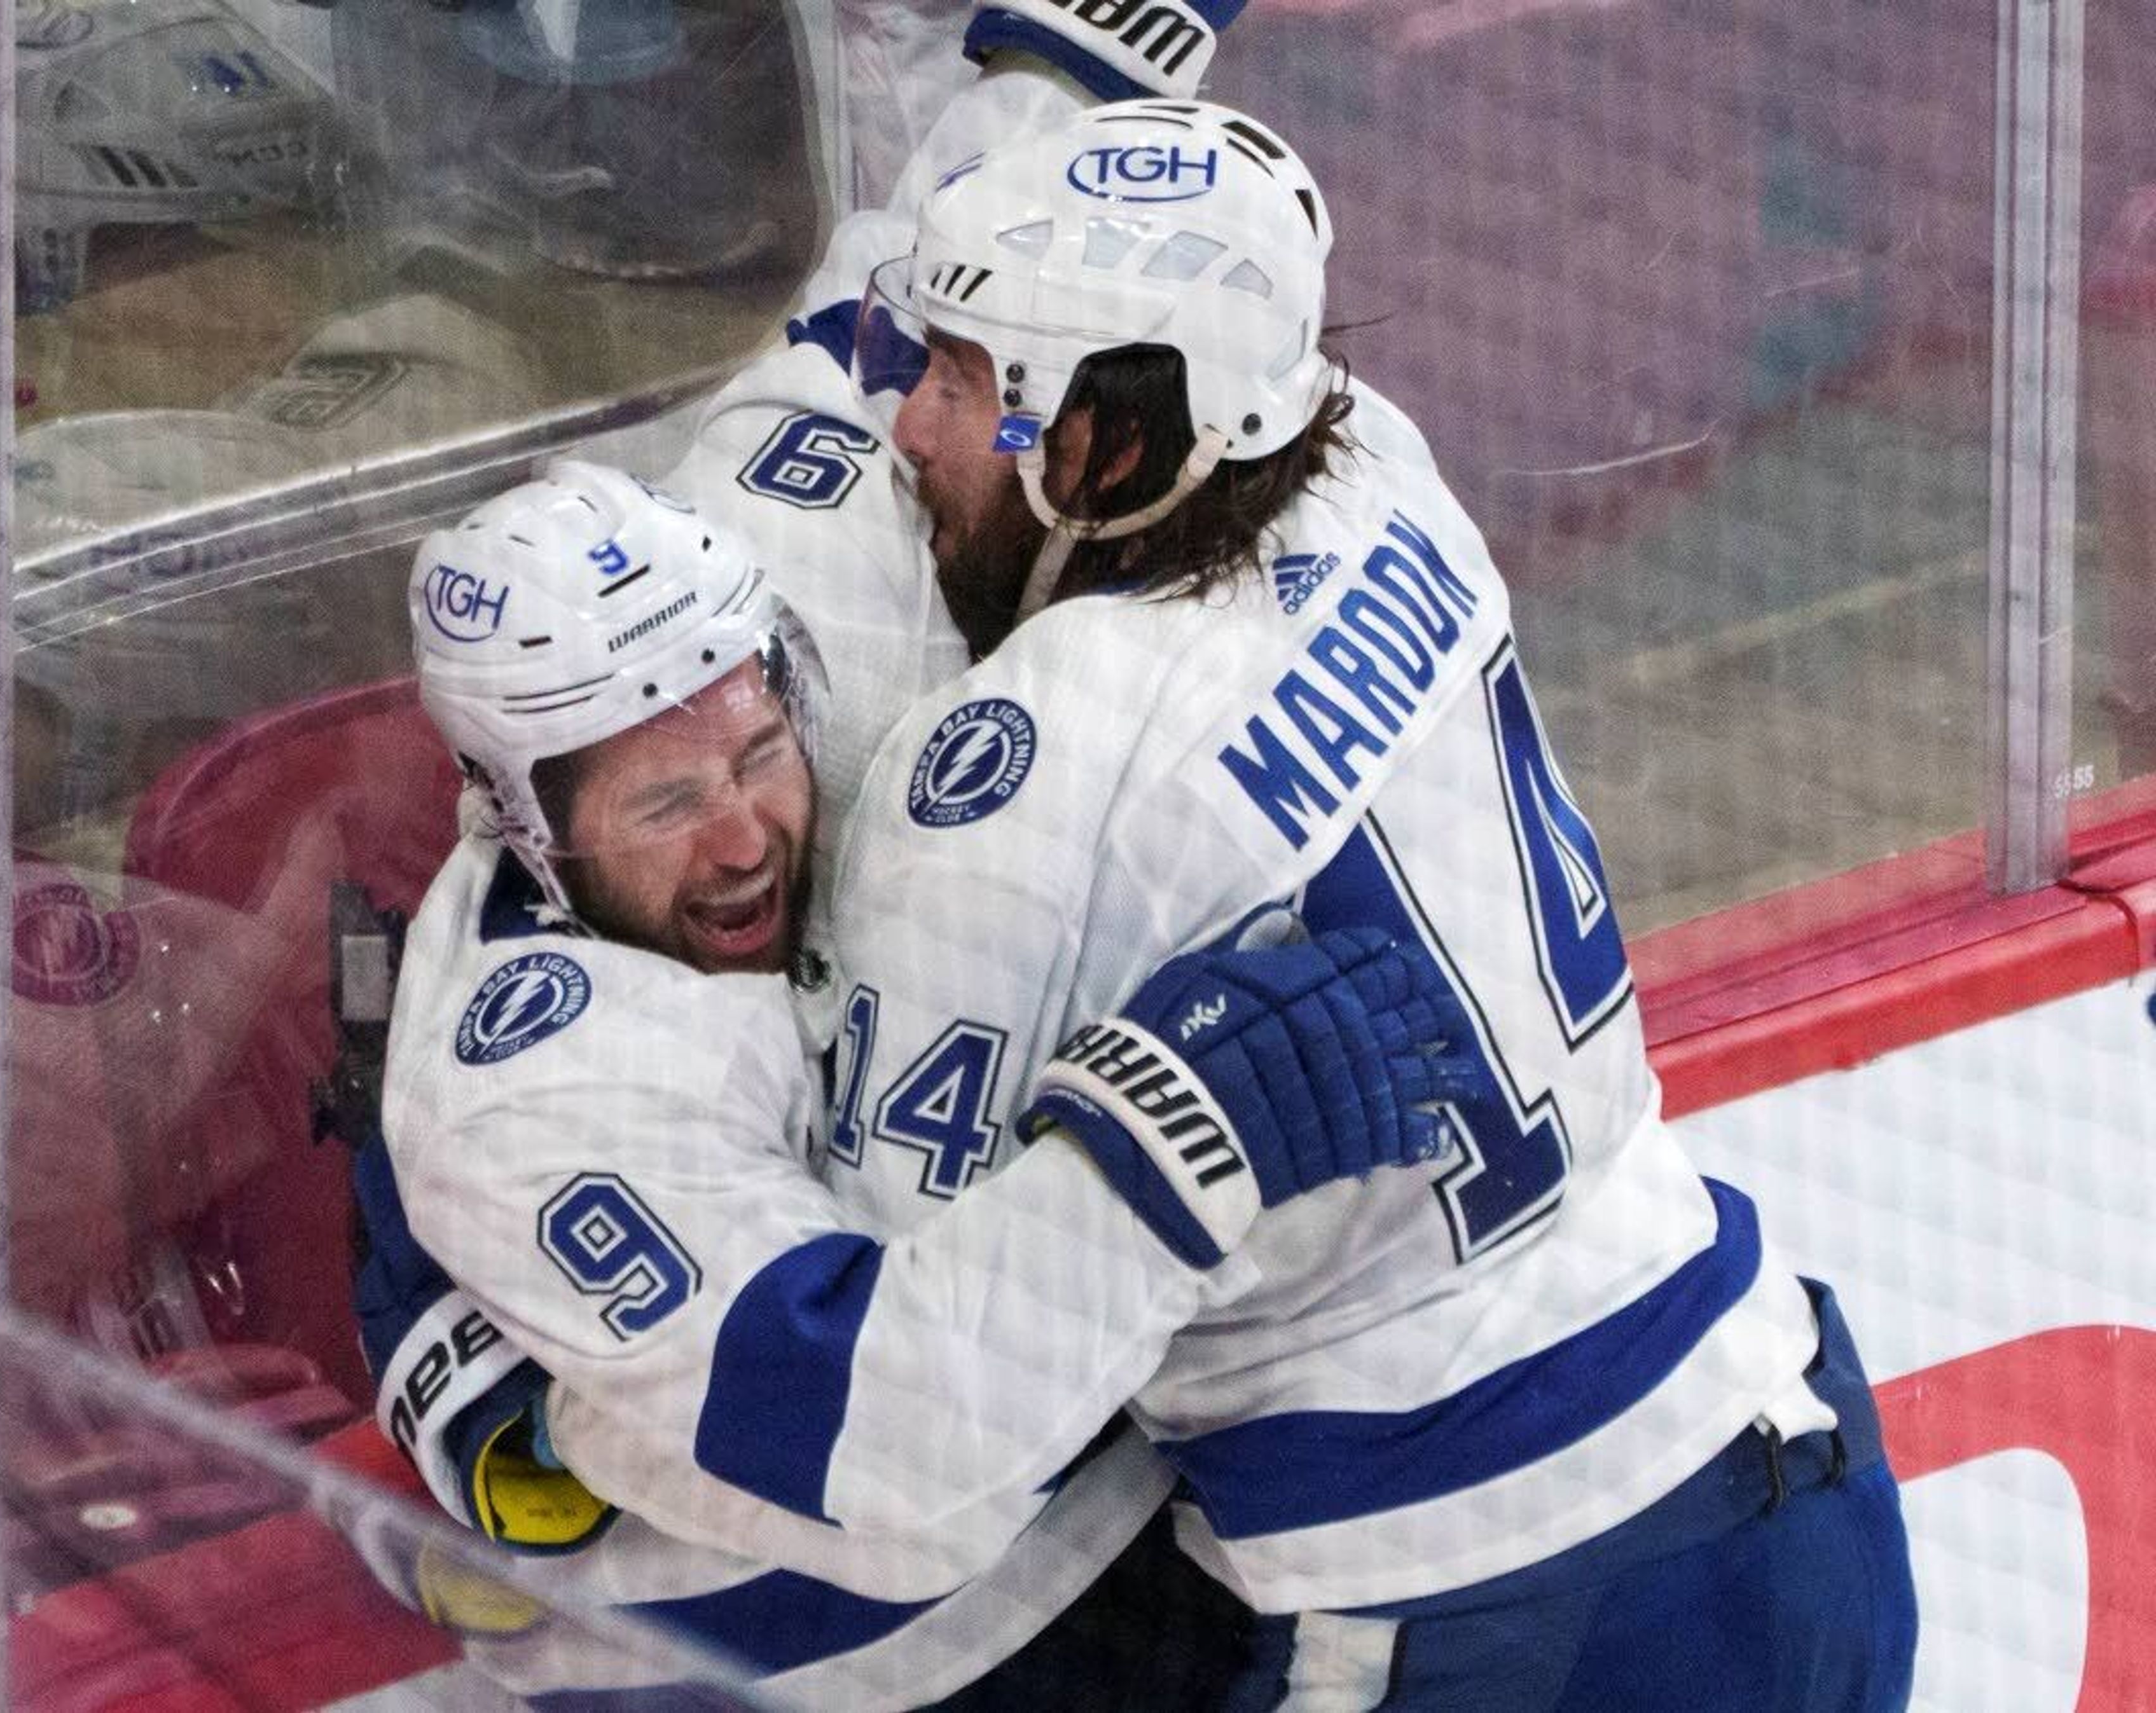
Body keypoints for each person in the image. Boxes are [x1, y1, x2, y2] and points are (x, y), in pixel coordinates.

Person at [777, 97, 1918, 1708]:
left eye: (964, 381)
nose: (913, 432)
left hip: (1483, 1605)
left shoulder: (1005, 786)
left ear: (1108, 437)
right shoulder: (1377, 464)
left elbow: (904, 1368)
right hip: (1787, 1461)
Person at [356, 457, 1479, 1707]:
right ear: (523, 822)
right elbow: (905, 1473)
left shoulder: (819, 699)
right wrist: (1172, 1137)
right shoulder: (538, 1083)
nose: (741, 840)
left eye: (761, 755)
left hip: (1099, 1588)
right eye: (666, 803)